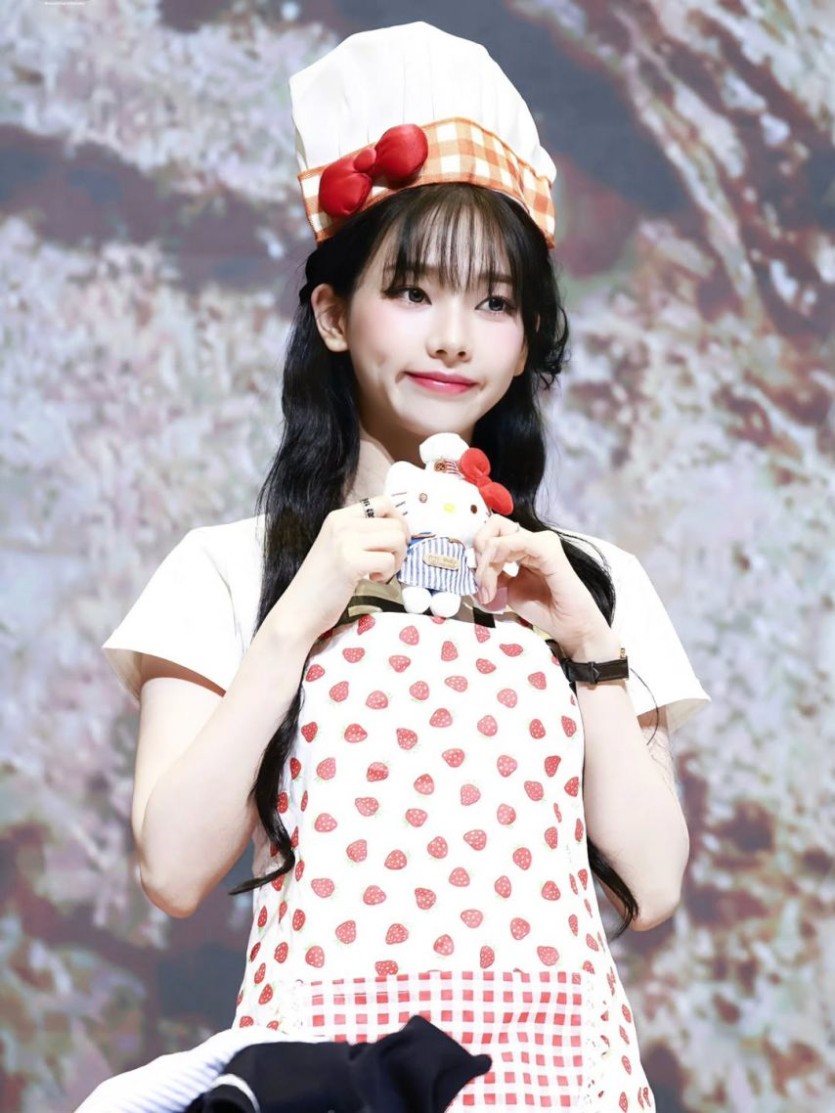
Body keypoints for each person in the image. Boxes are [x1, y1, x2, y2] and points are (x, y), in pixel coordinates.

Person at [101, 22, 708, 1111]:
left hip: (555, 1079)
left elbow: (653, 883)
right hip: (328, 1079)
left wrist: (590, 647)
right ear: (334, 313)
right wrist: (298, 616)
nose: (453, 337)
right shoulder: (230, 569)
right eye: (414, 291)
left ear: (525, 339)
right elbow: (174, 870)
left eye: (494, 302)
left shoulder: (589, 579)